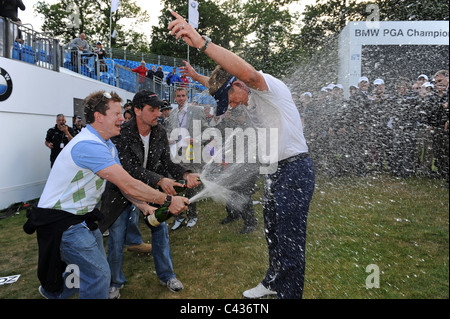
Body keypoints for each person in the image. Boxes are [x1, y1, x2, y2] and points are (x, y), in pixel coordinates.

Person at [168, 11, 315, 299]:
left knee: (291, 239)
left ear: (238, 84)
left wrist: (202, 42)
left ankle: (289, 293)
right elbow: (223, 82)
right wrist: (200, 77)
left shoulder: (264, 87)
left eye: (230, 99)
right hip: (275, 171)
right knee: (273, 232)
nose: (231, 106)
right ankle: (273, 281)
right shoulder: (245, 95)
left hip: (295, 170)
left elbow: (244, 72)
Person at [25, 90, 189, 299]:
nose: (123, 118)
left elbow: (122, 185)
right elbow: (129, 184)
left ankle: (52, 292)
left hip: (82, 219)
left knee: (85, 271)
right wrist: (168, 200)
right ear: (99, 117)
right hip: (63, 222)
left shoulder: (107, 145)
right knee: (99, 275)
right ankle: (53, 290)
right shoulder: (89, 146)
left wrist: (143, 206)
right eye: (117, 114)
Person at [99, 90, 201, 298]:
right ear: (137, 110)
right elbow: (129, 169)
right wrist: (159, 180)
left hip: (150, 193)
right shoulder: (121, 133)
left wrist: (185, 172)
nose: (158, 114)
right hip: (121, 194)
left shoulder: (160, 132)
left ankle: (167, 276)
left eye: (158, 109)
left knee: (160, 232)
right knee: (117, 238)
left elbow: (166, 161)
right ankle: (115, 283)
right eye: (152, 110)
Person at [166, 86, 209, 230]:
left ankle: (192, 216)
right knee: (176, 186)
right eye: (178, 96)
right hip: (176, 154)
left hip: (191, 154)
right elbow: (168, 132)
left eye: (183, 95)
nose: (181, 98)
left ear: (187, 96)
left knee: (190, 187)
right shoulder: (172, 114)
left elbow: (207, 132)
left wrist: (196, 140)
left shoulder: (197, 111)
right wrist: (169, 139)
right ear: (174, 97)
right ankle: (178, 217)